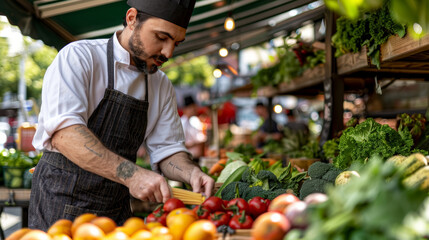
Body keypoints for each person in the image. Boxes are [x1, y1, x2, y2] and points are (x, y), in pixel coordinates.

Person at [29, 0, 214, 230]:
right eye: (161, 37)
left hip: (116, 215)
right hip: (59, 207)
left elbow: (168, 150)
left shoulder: (161, 84)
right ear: (131, 18)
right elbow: (66, 135)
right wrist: (132, 175)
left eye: (176, 43)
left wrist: (191, 172)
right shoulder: (79, 57)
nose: (168, 52)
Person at [180, 95, 207, 162]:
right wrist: (197, 143)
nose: (194, 110)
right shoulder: (182, 123)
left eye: (195, 107)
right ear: (185, 109)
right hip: (187, 158)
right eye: (192, 108)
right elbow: (181, 144)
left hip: (197, 157)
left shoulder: (194, 121)